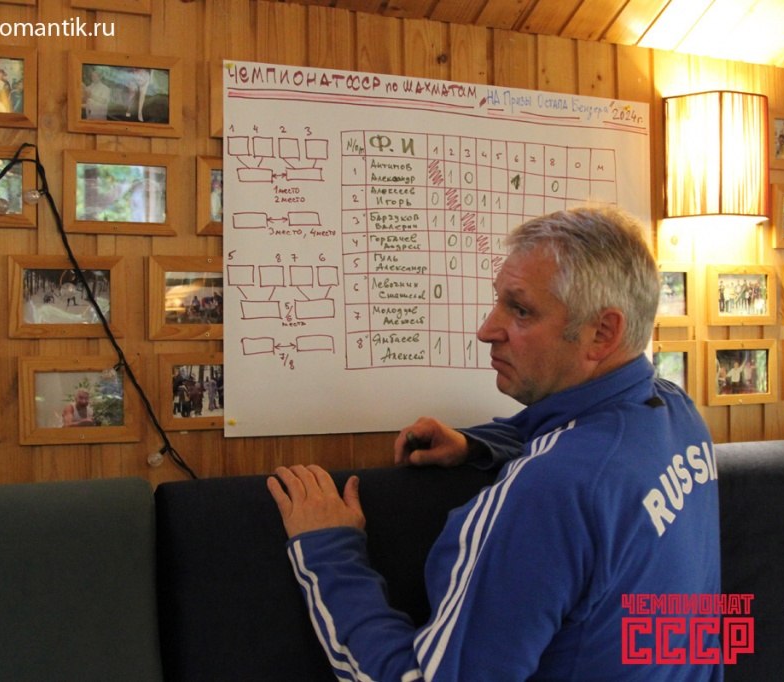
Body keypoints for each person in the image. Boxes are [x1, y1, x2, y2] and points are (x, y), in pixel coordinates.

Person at [267, 207, 722, 681]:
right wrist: (477, 445)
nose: (486, 330)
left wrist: (327, 549)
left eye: (521, 310)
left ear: (601, 332)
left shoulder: (547, 493)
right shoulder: (677, 413)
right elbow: (582, 434)